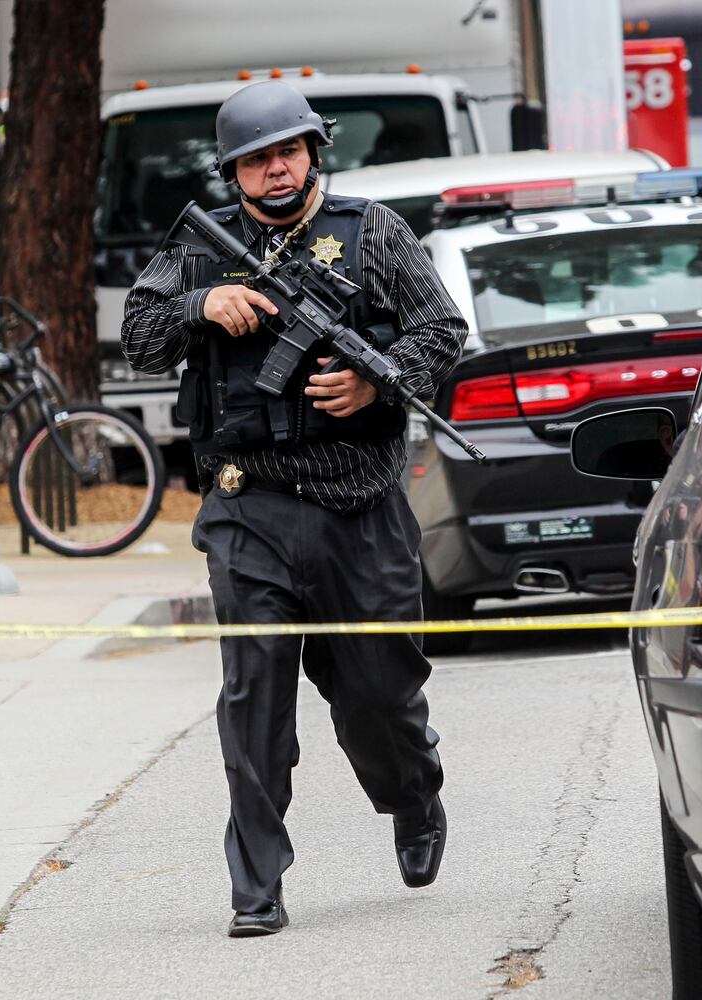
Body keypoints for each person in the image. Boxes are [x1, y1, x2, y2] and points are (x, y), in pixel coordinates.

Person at [121, 80, 465, 938]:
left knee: (378, 697)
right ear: (231, 172)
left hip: (359, 507)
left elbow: (440, 331)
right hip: (249, 506)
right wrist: (200, 305)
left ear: (315, 151)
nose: (274, 171)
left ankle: (413, 799)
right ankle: (256, 885)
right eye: (254, 160)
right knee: (254, 700)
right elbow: (139, 332)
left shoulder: (373, 232)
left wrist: (375, 383)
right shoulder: (202, 245)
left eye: (286, 153)